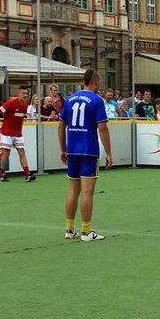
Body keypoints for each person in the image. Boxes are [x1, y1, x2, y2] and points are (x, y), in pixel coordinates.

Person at [57, 69, 112, 242]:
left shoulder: (70, 99)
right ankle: (87, 232)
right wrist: (109, 152)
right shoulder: (97, 100)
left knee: (74, 190)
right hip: (88, 150)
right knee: (88, 191)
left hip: (72, 150)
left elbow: (60, 126)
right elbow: (102, 128)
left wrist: (63, 149)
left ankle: (69, 229)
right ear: (96, 82)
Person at [0, 85, 36, 182]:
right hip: (7, 132)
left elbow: (20, 119)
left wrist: (20, 130)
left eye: (26, 93)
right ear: (18, 94)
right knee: (6, 153)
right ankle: (2, 174)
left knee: (22, 152)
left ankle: (27, 174)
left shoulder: (25, 105)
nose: (25, 95)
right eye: (23, 93)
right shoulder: (11, 102)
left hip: (18, 133)